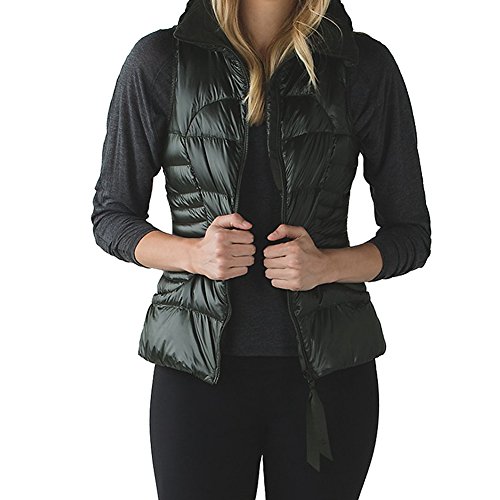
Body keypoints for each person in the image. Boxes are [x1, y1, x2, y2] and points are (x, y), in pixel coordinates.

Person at [91, 0, 431, 498]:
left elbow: (411, 234)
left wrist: (325, 266)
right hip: (196, 370)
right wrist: (193, 255)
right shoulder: (162, 60)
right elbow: (112, 215)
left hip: (330, 376)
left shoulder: (361, 65)